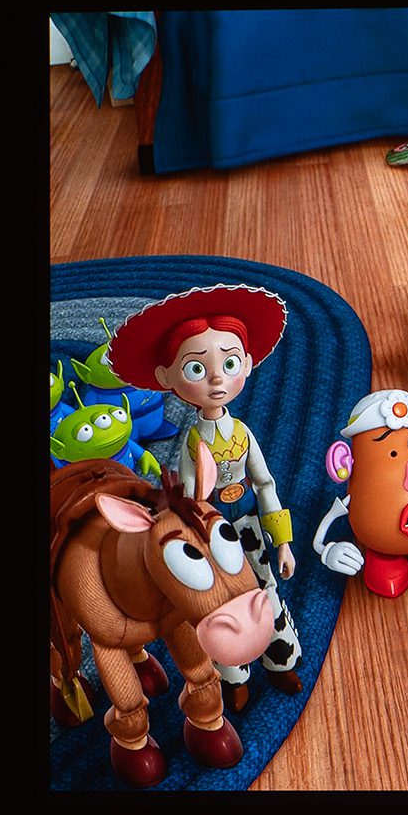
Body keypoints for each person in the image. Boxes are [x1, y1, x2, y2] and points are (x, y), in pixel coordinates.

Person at [108, 284, 304, 708]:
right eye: (197, 368)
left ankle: (281, 657)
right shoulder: (192, 441)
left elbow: (266, 484)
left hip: (249, 525)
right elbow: (190, 498)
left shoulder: (242, 433)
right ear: (167, 378)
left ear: (246, 364)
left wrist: (283, 541)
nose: (217, 378)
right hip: (213, 533)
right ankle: (234, 673)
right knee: (219, 601)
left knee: (265, 587)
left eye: (229, 363)